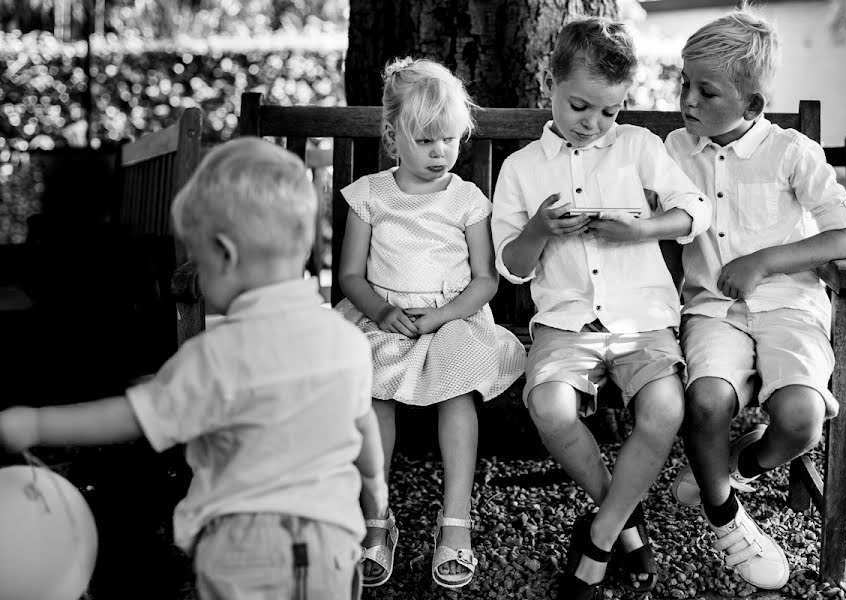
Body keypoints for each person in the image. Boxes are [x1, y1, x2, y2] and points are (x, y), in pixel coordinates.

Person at [0, 137, 388, 600]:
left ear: (225, 254)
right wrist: (375, 493)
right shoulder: (347, 342)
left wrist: (36, 423)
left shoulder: (216, 355)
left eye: (199, 262)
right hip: (333, 545)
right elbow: (363, 431)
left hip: (243, 551)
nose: (197, 276)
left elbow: (131, 419)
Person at [491, 17, 711, 600]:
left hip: (643, 321)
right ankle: (626, 523)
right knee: (548, 405)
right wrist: (539, 227)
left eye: (610, 112)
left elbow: (694, 210)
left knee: (665, 409)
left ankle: (601, 536)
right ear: (552, 82)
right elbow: (511, 265)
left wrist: (640, 230)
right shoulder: (521, 169)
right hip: (566, 322)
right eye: (581, 107)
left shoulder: (639, 147)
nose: (594, 124)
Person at [665, 9, 846, 590]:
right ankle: (725, 518)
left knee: (802, 417)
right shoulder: (675, 150)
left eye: (707, 90)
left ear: (751, 105)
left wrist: (763, 261)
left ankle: (736, 466)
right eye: (685, 84)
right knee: (705, 402)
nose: (689, 100)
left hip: (790, 306)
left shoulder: (792, 152)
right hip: (712, 311)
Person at [335, 56, 526, 590]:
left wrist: (441, 316)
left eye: (448, 139)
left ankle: (455, 520)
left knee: (459, 389)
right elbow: (350, 274)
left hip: (454, 319)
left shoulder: (466, 199)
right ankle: (376, 517)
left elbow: (485, 280)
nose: (440, 152)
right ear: (394, 138)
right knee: (372, 393)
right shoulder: (370, 195)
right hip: (383, 318)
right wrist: (381, 311)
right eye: (425, 141)